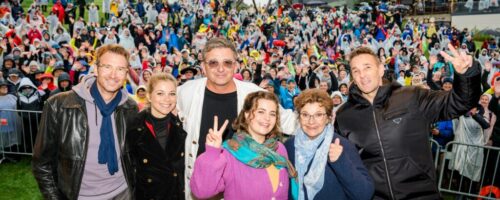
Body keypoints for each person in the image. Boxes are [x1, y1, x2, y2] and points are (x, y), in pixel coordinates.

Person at [335, 45, 481, 199]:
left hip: (421, 194)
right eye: (356, 71)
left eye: (367, 67)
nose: (362, 75)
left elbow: (459, 103)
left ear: (380, 70)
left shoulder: (412, 96)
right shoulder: (344, 115)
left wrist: (466, 75)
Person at [176, 38, 296, 198]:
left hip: (240, 189)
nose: (220, 69)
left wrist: (326, 119)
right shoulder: (185, 93)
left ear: (235, 65)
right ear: (203, 66)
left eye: (227, 62)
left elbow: (288, 121)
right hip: (200, 186)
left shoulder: (252, 93)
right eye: (213, 63)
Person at [32, 44, 138, 199]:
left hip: (123, 194)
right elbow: (42, 162)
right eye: (107, 67)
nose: (114, 75)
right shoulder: (59, 105)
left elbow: (135, 155)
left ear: (126, 73)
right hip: (78, 196)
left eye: (120, 69)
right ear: (95, 69)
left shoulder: (130, 107)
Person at [190, 91, 297, 200]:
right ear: (247, 114)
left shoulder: (279, 148)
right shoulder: (229, 153)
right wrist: (212, 154)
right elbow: (202, 191)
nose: (267, 118)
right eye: (261, 112)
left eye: (272, 113)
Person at [284, 89, 374, 200]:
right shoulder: (289, 147)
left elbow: (364, 194)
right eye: (305, 115)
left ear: (328, 118)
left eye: (318, 115)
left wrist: (341, 161)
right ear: (299, 117)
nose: (311, 121)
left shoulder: (342, 146)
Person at [126, 73, 187, 199]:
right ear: (149, 96)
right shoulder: (133, 126)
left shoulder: (182, 124)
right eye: (160, 93)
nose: (167, 99)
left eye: (172, 93)